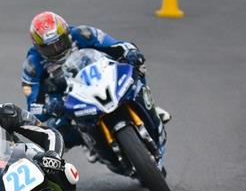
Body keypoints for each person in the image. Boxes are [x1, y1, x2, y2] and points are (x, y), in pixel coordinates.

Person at [21, 11, 170, 160]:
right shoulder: (33, 64)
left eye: (59, 42)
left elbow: (114, 44)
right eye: (49, 47)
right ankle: (87, 142)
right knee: (55, 130)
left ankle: (149, 105)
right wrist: (49, 106)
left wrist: (130, 52)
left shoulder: (83, 34)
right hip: (66, 96)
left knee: (136, 68)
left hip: (99, 74)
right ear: (38, 47)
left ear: (67, 33)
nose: (56, 50)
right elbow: (33, 103)